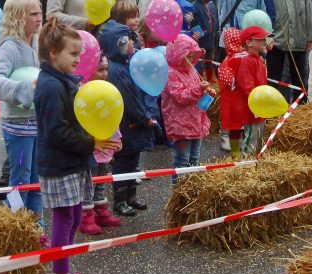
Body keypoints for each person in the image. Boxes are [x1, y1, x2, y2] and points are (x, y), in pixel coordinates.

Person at [35, 18, 118, 274]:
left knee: (71, 219)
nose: (79, 59)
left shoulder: (65, 82)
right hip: (58, 164)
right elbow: (55, 131)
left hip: (73, 161)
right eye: (73, 53)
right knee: (64, 219)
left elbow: (79, 120)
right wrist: (90, 143)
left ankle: (64, 273)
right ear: (53, 53)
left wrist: (97, 137)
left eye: (80, 53)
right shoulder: (50, 87)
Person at [0, 0, 43, 213]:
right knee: (20, 180)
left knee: (37, 181)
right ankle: (16, 225)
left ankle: (36, 227)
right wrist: (23, 89)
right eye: (33, 14)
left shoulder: (38, 42)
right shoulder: (9, 47)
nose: (39, 18)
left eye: (40, 12)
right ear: (18, 17)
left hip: (38, 123)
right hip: (18, 127)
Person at [100, 20, 156, 217]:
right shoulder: (115, 70)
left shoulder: (125, 65)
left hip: (133, 124)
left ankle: (131, 196)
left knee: (132, 160)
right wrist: (144, 117)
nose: (133, 44)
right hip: (127, 123)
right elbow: (129, 99)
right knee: (122, 163)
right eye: (129, 41)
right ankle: (120, 200)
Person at [162, 34, 214, 182]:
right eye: (187, 56)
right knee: (182, 160)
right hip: (181, 125)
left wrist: (206, 89)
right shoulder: (171, 74)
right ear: (177, 55)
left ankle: (192, 189)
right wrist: (199, 89)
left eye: (193, 56)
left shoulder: (191, 71)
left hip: (196, 120)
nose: (191, 60)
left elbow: (196, 90)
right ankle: (178, 191)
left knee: (195, 158)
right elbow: (180, 96)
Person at [79, 56, 122, 234]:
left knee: (102, 179)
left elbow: (112, 116)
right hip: (90, 144)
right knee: (88, 181)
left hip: (105, 143)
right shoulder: (82, 92)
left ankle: (101, 211)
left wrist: (117, 138)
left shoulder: (107, 90)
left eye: (106, 69)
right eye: (100, 70)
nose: (104, 74)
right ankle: (86, 216)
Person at [222, 26, 271, 157]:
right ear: (249, 43)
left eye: (264, 38)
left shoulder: (257, 59)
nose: (264, 41)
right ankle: (245, 165)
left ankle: (254, 160)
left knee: (259, 136)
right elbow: (246, 85)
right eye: (260, 39)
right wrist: (258, 101)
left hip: (259, 107)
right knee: (251, 139)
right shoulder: (246, 60)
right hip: (252, 108)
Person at [192, 0, 218, 83]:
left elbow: (215, 19)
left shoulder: (212, 5)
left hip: (211, 36)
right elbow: (193, 23)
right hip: (201, 39)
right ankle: (200, 77)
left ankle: (210, 76)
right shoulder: (194, 6)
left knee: (210, 58)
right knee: (200, 59)